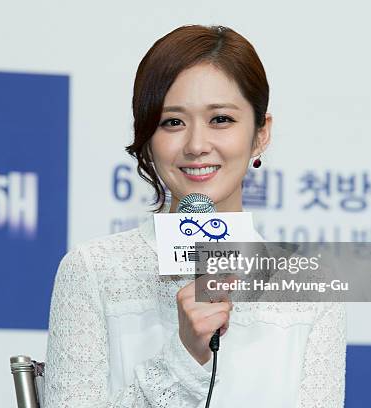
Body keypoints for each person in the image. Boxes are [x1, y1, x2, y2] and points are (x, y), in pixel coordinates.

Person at [44, 24, 346, 407]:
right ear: (147, 137)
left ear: (260, 133)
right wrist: (183, 355)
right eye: (173, 122)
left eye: (220, 119)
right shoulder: (93, 270)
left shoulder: (312, 284)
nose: (197, 145)